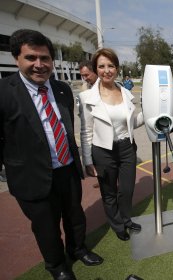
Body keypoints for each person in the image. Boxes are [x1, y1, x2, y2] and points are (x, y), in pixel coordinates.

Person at [0, 29, 103, 280]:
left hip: (67, 169)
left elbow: (68, 129)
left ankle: (78, 249)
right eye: (31, 58)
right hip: (31, 176)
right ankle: (57, 266)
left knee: (75, 216)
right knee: (46, 227)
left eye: (44, 58)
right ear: (17, 59)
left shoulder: (62, 89)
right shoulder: (4, 92)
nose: (39, 65)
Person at [79, 48, 144, 242]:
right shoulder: (87, 98)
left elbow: (131, 123)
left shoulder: (125, 92)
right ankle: (117, 225)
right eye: (101, 66)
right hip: (103, 152)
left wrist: (150, 113)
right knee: (109, 193)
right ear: (95, 69)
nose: (106, 70)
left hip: (126, 148)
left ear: (117, 68)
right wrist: (88, 159)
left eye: (111, 66)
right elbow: (86, 131)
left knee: (127, 190)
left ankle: (126, 218)